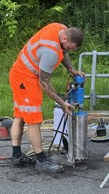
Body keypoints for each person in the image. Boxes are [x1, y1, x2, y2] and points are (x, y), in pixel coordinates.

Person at [9, 23, 84, 173]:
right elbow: (44, 83)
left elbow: (64, 52)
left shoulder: (59, 27)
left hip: (19, 73)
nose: (68, 50)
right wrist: (62, 103)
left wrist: (71, 69)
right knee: (34, 120)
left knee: (20, 116)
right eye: (69, 47)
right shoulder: (50, 52)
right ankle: (41, 160)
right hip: (26, 78)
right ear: (64, 38)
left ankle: (16, 157)